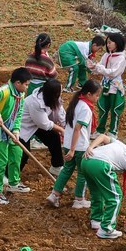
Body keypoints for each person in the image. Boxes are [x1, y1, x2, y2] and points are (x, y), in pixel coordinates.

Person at [80, 133, 126, 239]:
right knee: (115, 197)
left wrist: (90, 147)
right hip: (100, 165)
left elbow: (102, 136)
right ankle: (106, 229)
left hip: (86, 161)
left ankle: (96, 220)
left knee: (96, 192)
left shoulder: (121, 144)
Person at [47, 80, 101, 209]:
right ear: (89, 94)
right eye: (97, 95)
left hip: (68, 143)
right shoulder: (86, 109)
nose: (97, 98)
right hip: (79, 146)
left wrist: (70, 148)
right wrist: (73, 150)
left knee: (67, 169)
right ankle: (79, 199)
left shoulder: (76, 102)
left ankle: (54, 194)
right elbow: (77, 129)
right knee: (82, 173)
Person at [0, 67, 30, 204]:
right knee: (0, 162)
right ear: (18, 83)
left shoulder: (20, 94)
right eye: (26, 84)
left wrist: (16, 130)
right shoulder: (4, 91)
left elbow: (19, 112)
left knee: (17, 153)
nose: (27, 87)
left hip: (9, 128)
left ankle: (13, 183)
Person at [19, 78, 66, 177]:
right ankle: (8, 176)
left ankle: (56, 166)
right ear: (53, 94)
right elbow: (44, 124)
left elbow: (60, 113)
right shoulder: (35, 102)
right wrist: (61, 129)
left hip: (36, 123)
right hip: (23, 126)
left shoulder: (53, 97)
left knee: (54, 137)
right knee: (23, 152)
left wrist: (67, 127)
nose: (60, 94)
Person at [90, 32, 126, 139]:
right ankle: (100, 130)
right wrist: (93, 67)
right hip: (105, 85)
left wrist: (99, 68)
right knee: (103, 108)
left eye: (110, 42)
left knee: (115, 109)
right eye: (107, 43)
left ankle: (113, 132)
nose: (108, 45)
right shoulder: (106, 55)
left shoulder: (121, 58)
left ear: (117, 43)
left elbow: (113, 72)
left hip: (115, 87)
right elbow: (100, 67)